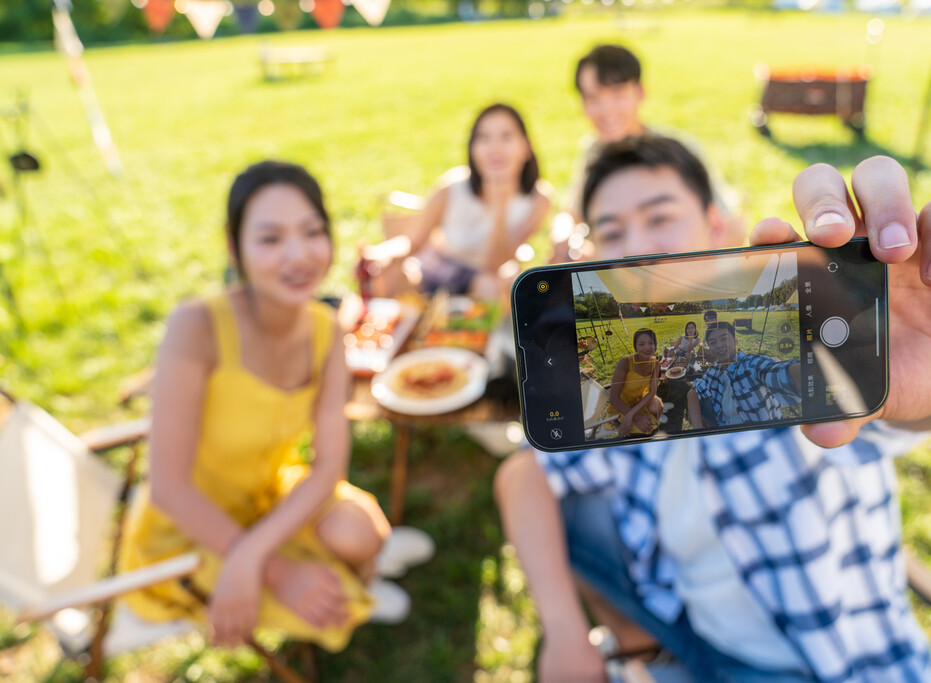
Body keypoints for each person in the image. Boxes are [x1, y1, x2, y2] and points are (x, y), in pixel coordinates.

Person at [494, 136, 931, 682]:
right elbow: (523, 474)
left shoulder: (776, 362)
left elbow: (920, 412)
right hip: (695, 640)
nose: (635, 247)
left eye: (660, 217)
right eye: (611, 231)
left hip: (833, 664)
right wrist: (564, 632)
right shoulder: (650, 392)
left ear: (719, 226)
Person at [121, 161, 399, 651]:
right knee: (333, 601)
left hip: (269, 492)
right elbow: (168, 488)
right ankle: (353, 589)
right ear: (236, 248)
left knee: (365, 532)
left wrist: (254, 555)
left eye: (313, 232)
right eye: (270, 239)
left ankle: (360, 575)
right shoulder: (197, 326)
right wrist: (269, 566)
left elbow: (330, 464)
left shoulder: (325, 330)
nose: (298, 255)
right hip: (187, 527)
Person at [551, 45, 740, 260]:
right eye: (593, 98)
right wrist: (562, 235)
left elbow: (731, 229)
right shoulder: (593, 150)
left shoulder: (678, 152)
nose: (606, 111)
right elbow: (572, 212)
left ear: (640, 93)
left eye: (617, 94)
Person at [361, 103, 551, 298]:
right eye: (484, 138)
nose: (495, 148)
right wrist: (383, 254)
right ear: (472, 148)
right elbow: (412, 242)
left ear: (527, 147)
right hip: (433, 269)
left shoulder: (539, 199)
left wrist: (499, 206)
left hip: (484, 278)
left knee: (491, 287)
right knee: (387, 278)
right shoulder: (452, 186)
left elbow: (495, 263)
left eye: (506, 137)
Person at [687, 321, 801, 428]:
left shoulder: (750, 365)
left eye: (724, 339)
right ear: (710, 349)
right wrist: (699, 430)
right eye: (713, 343)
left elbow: (778, 372)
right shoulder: (715, 369)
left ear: (735, 341)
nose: (719, 345)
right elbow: (693, 393)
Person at [606, 328, 664, 438]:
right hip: (621, 405)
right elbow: (613, 398)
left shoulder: (656, 363)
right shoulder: (625, 363)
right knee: (639, 431)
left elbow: (652, 392)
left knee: (658, 406)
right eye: (641, 344)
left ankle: (649, 429)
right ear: (635, 347)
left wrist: (632, 415)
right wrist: (634, 417)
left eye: (651, 343)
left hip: (641, 399)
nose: (647, 348)